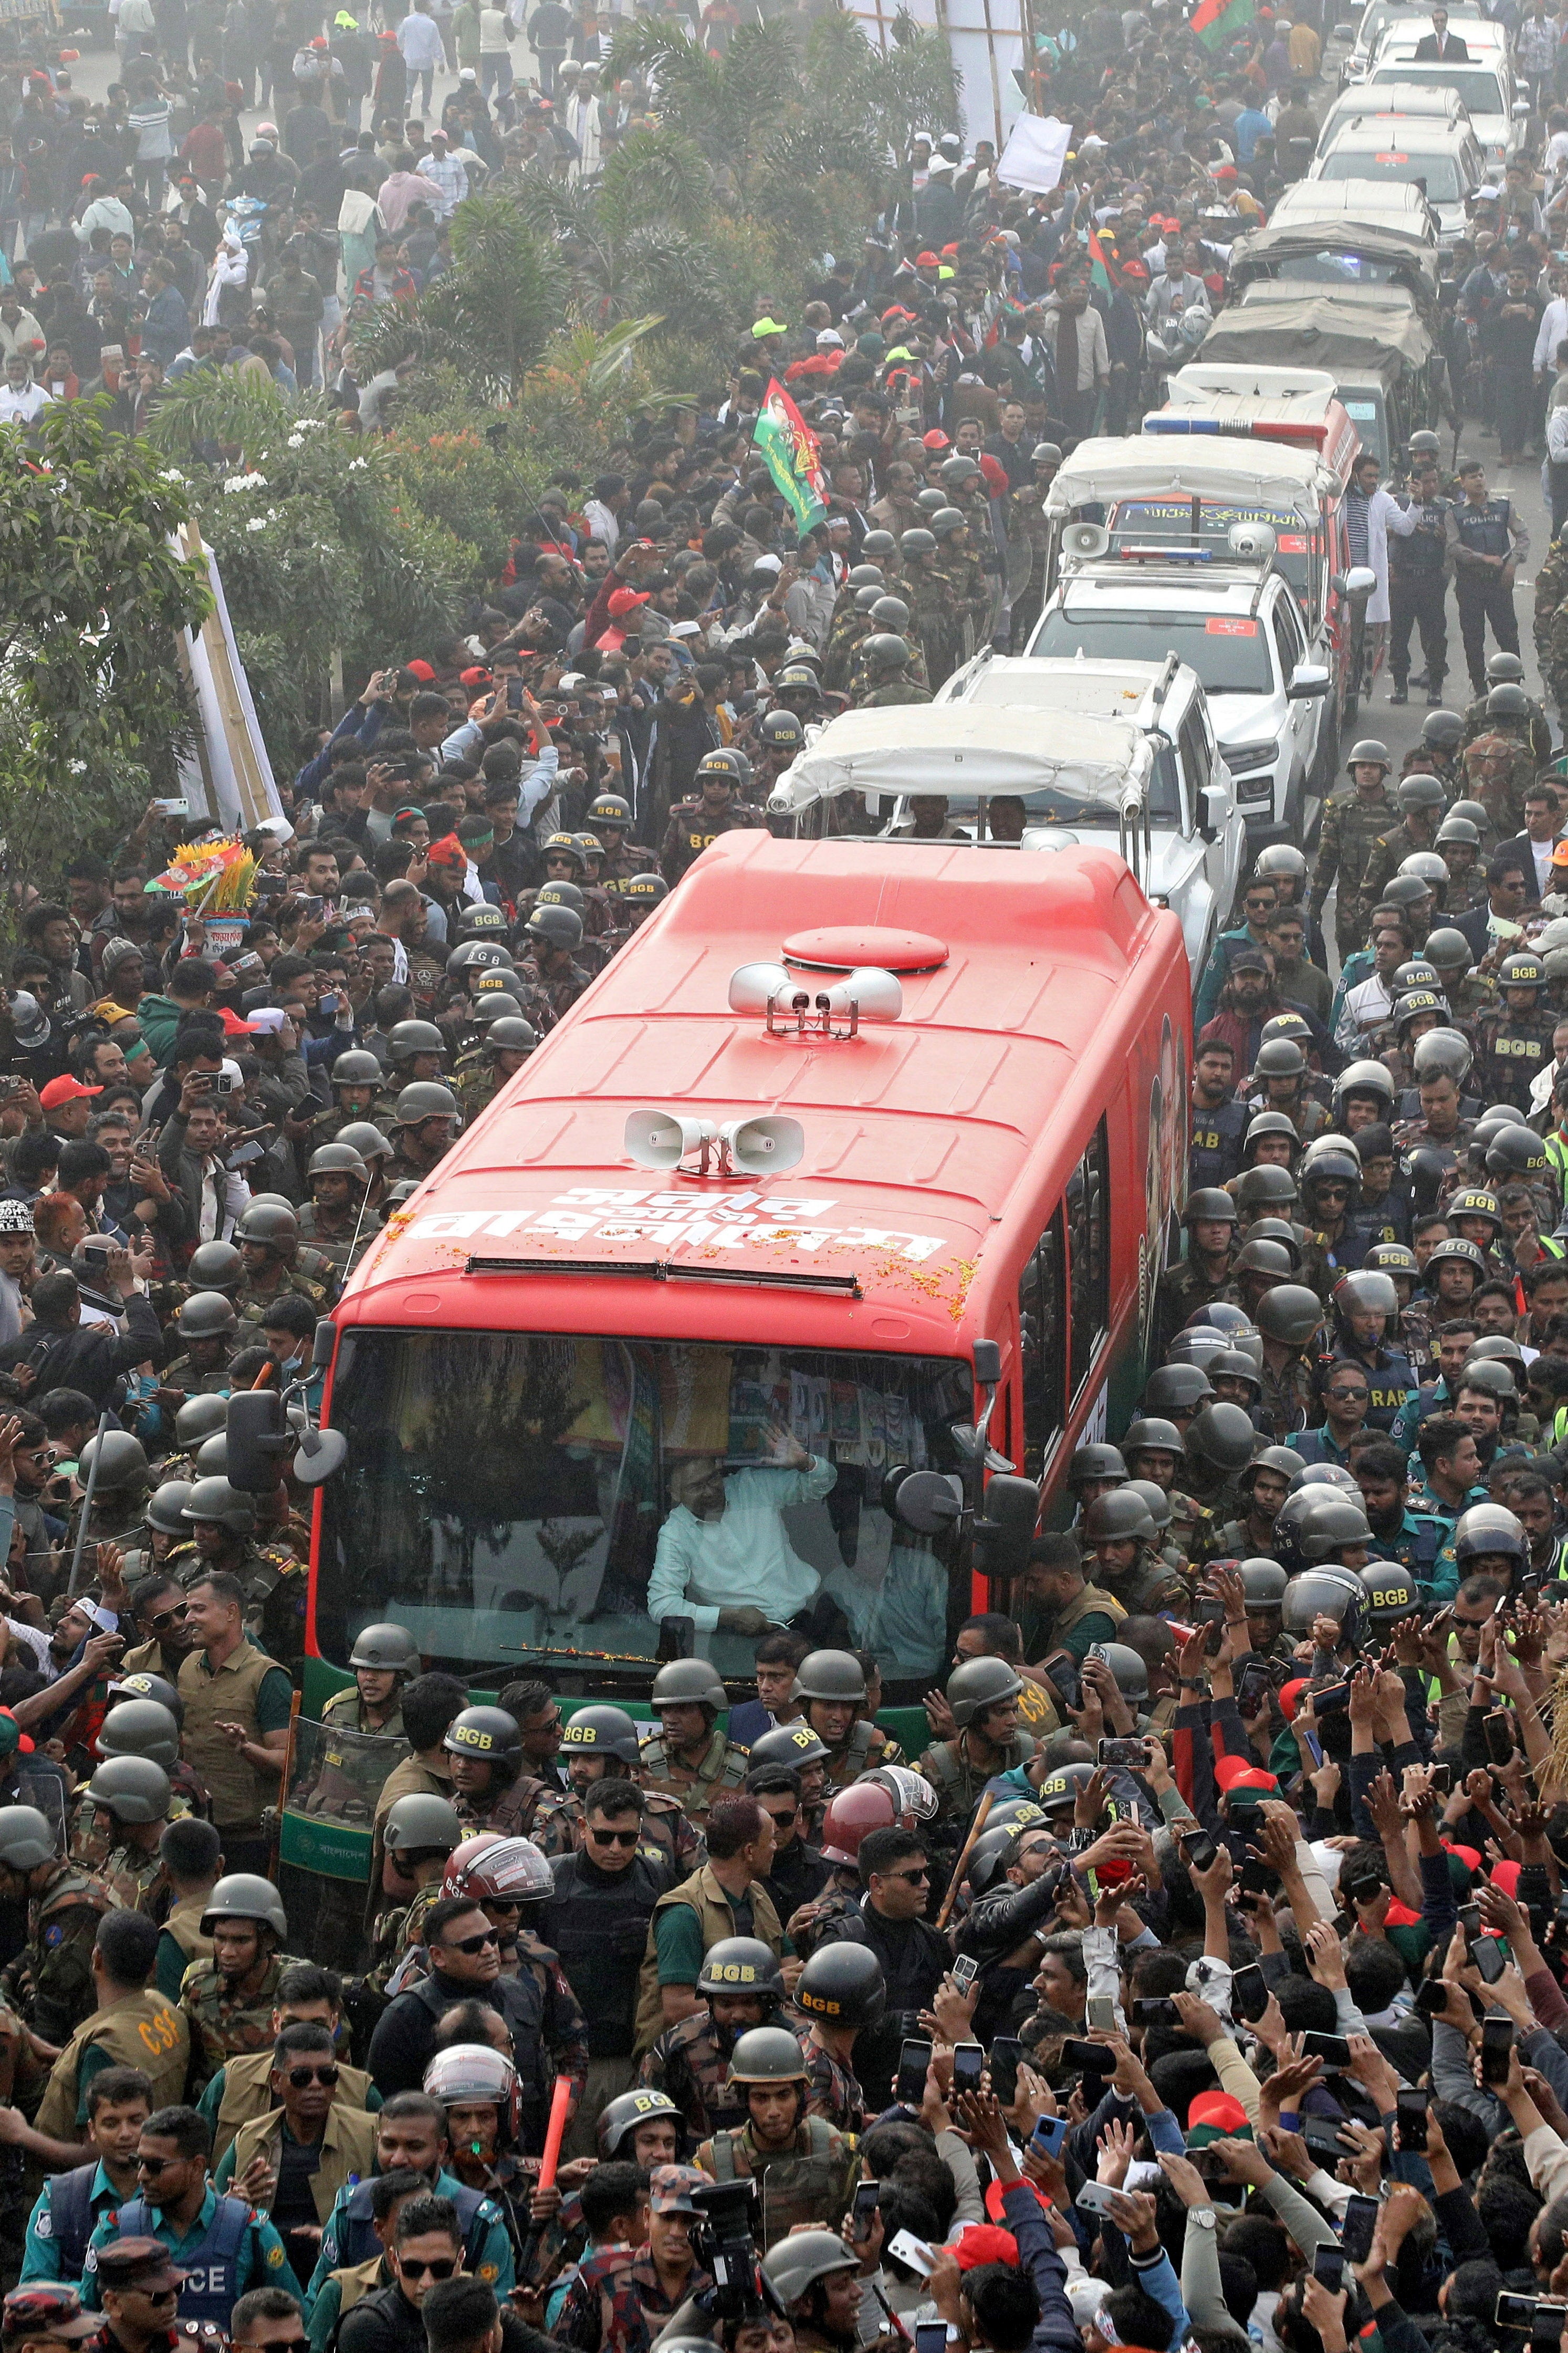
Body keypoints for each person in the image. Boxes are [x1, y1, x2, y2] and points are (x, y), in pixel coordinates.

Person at [81, 2105, 306, 2324]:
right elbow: (87, 2315)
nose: (142, 2176)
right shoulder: (116, 2231)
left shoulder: (251, 2231)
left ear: (197, 2167)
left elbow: (295, 2319)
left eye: (155, 2166)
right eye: (139, 2162)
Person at [645, 1425, 837, 1636]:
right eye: (696, 1487)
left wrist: (805, 1463)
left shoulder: (753, 1486)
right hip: (750, 1637)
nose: (709, 1491)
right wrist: (729, 1616)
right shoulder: (676, 1534)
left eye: (713, 1478)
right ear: (674, 1493)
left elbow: (822, 1485)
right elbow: (662, 1607)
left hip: (813, 1612)